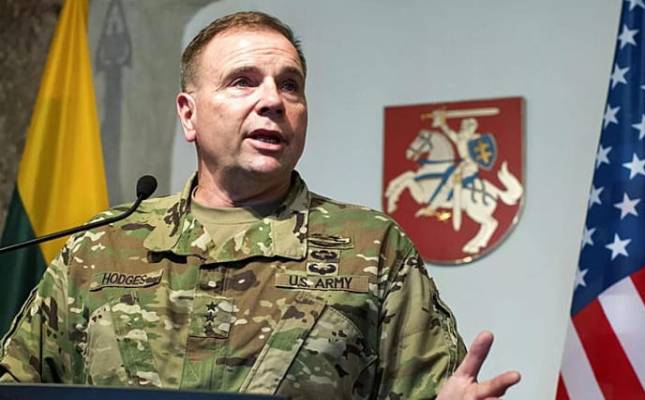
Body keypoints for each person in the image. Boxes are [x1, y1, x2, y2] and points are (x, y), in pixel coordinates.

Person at [0, 11, 520, 399]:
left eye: (290, 85)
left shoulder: (371, 247)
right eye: (242, 81)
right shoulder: (102, 247)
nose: (273, 100)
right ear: (189, 114)